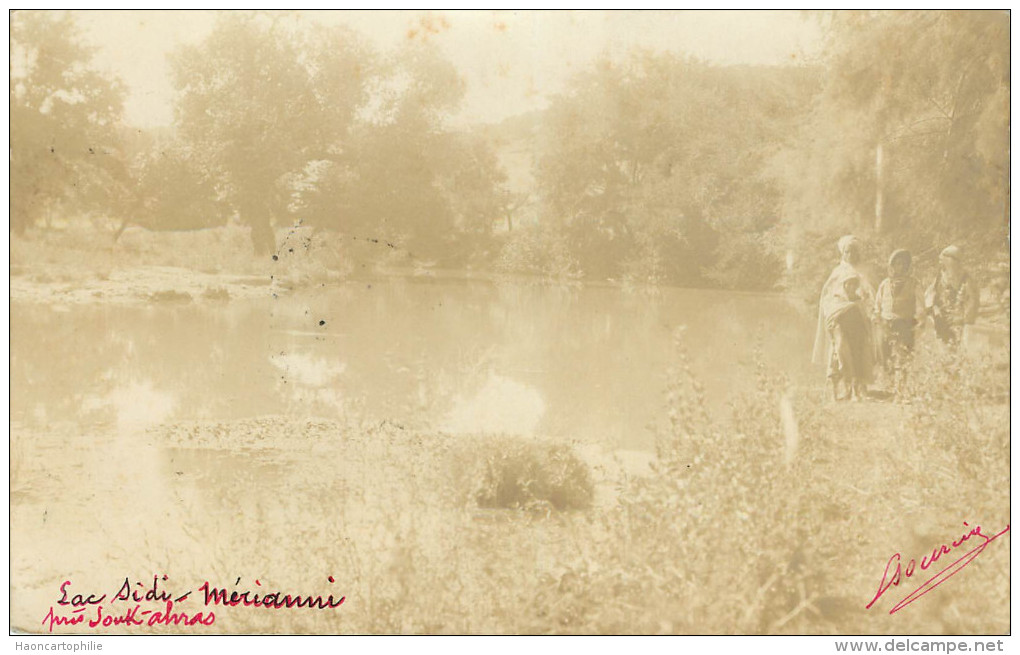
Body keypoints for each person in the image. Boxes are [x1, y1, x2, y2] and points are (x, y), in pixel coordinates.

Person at [813, 235, 875, 400]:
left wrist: (866, 308)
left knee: (860, 350)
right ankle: (844, 388)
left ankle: (858, 388)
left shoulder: (863, 272)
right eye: (848, 251)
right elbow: (827, 298)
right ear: (843, 253)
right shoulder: (838, 272)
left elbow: (870, 296)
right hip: (841, 320)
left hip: (859, 320)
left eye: (855, 251)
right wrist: (837, 311)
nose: (852, 255)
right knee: (840, 350)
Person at [874, 249, 925, 379]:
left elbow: (920, 304)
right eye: (897, 264)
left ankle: (903, 386)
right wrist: (878, 317)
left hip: (904, 323)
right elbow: (878, 304)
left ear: (907, 266)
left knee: (903, 355)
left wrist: (920, 319)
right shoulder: (885, 284)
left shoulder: (914, 283)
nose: (900, 267)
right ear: (892, 266)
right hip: (886, 323)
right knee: (884, 353)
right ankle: (889, 384)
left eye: (903, 264)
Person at [925, 245, 979, 345]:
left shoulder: (965, 278)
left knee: (955, 342)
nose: (942, 263)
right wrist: (933, 307)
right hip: (940, 316)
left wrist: (966, 317)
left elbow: (972, 299)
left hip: (957, 318)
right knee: (943, 342)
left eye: (945, 260)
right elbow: (931, 292)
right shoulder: (940, 276)